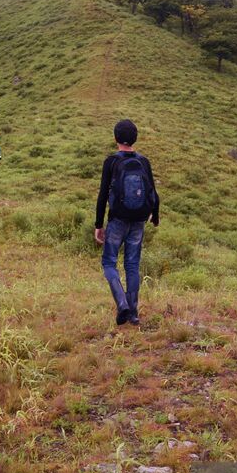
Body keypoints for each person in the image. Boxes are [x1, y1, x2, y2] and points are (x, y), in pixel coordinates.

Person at [94, 119, 159, 326]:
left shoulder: (111, 162)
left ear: (115, 138)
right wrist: (155, 216)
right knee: (132, 264)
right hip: (139, 220)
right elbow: (153, 193)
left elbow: (103, 195)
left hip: (118, 220)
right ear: (135, 138)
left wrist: (98, 225)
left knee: (108, 262)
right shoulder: (144, 161)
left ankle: (122, 303)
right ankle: (133, 313)